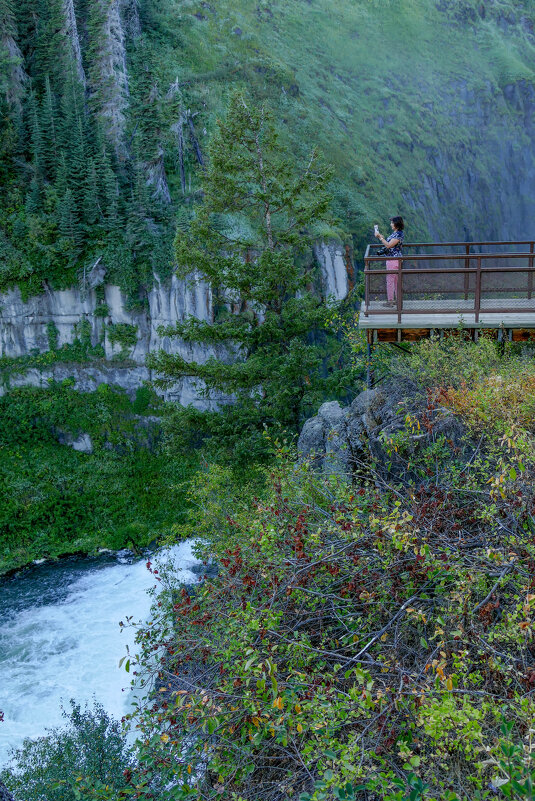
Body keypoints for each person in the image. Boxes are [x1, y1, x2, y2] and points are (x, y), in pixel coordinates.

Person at [375, 216, 405, 306]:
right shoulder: (396, 233)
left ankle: (390, 301)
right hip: (394, 259)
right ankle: (397, 300)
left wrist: (380, 237)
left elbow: (388, 245)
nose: (391, 224)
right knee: (395, 281)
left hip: (393, 260)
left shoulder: (399, 234)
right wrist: (382, 237)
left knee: (390, 281)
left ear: (397, 224)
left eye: (392, 223)